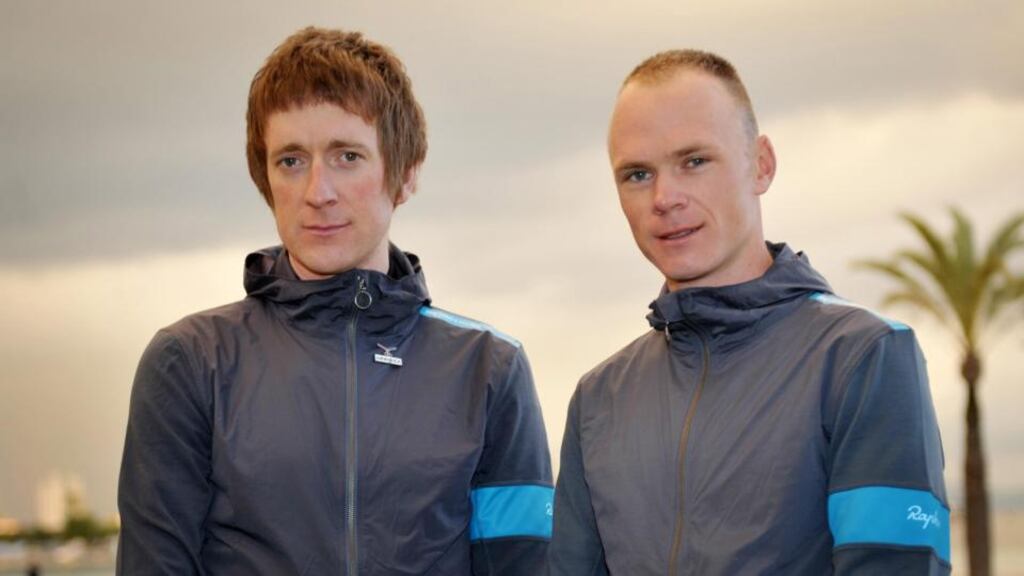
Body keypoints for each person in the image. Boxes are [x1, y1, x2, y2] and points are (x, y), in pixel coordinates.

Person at [117, 27, 552, 575]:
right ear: (265, 178)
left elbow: (522, 565)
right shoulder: (190, 361)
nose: (317, 191)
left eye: (347, 156)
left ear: (406, 174)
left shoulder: (490, 367)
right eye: (291, 161)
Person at [547, 50, 950, 575]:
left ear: (760, 165)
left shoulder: (865, 357)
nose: (665, 198)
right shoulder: (599, 397)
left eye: (694, 161)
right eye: (638, 174)